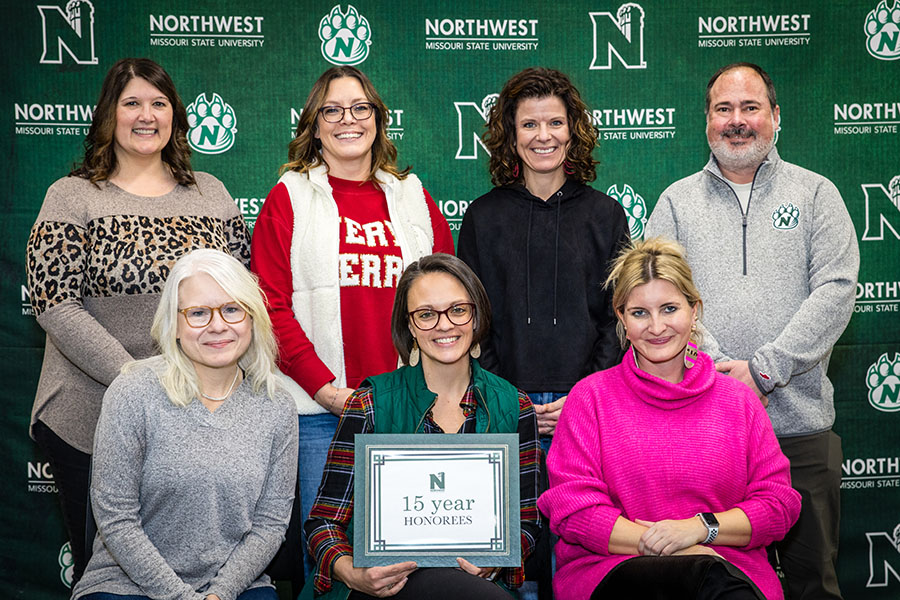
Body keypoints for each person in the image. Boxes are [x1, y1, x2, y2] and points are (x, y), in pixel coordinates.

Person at [27, 57, 250, 581]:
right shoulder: (72, 195)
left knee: (193, 571)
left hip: (200, 415)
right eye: (132, 103)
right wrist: (142, 381)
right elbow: (55, 303)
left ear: (175, 116)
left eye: (159, 103)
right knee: (108, 574)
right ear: (109, 114)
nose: (145, 115)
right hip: (91, 415)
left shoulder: (211, 193)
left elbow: (240, 294)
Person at [646, 62, 859, 600]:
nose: (737, 121)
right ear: (706, 121)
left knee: (813, 582)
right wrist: (722, 375)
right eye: (724, 109)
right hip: (700, 430)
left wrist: (763, 369)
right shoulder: (675, 202)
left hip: (799, 429)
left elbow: (836, 291)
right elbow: (659, 297)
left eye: (750, 107)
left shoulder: (816, 195)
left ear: (775, 117)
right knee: (712, 584)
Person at [251, 65, 454, 575]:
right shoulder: (289, 196)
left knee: (417, 561)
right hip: (324, 414)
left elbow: (452, 295)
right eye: (333, 110)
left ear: (378, 121)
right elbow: (270, 307)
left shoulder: (412, 196)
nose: (348, 120)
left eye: (361, 108)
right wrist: (324, 390)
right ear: (314, 125)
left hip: (411, 409)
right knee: (333, 563)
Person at [538, 238, 801, 600]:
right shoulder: (590, 399)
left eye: (669, 308)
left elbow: (777, 505)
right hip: (614, 570)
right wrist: (676, 548)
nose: (657, 327)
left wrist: (699, 529)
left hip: (724, 571)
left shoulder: (738, 401)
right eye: (640, 313)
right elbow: (574, 510)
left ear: (695, 312)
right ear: (621, 319)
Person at [303, 254, 540, 600]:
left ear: (477, 316)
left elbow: (528, 523)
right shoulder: (370, 403)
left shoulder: (515, 407)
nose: (444, 325)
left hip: (476, 587)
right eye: (426, 314)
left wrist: (497, 560)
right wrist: (352, 573)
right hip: (381, 590)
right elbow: (323, 524)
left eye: (458, 310)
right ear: (410, 326)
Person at [71, 248, 298, 600]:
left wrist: (218, 594)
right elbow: (115, 518)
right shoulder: (132, 392)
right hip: (125, 586)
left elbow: (270, 525)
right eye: (198, 313)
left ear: (252, 318)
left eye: (232, 309)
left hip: (234, 588)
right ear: (174, 324)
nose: (218, 325)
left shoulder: (277, 405)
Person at [457, 67, 629, 452]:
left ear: (572, 131)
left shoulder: (606, 215)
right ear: (511, 134)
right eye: (529, 124)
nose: (544, 135)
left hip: (590, 406)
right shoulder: (483, 217)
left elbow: (617, 317)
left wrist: (584, 394)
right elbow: (471, 318)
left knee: (582, 513)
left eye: (555, 122)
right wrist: (508, 398)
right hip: (499, 408)